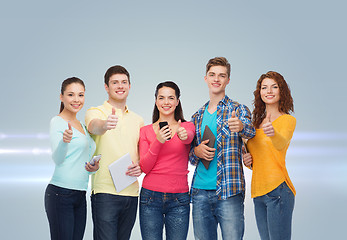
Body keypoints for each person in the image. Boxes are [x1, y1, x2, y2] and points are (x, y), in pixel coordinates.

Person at [189, 57, 256, 240]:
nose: (216, 79)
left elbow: (251, 132)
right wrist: (196, 151)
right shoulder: (197, 116)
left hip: (229, 191)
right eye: (212, 75)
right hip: (200, 192)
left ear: (228, 80)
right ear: (206, 78)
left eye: (222, 75)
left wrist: (241, 127)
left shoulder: (238, 109)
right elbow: (191, 157)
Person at [85, 65, 144, 240]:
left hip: (131, 193)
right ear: (106, 87)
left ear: (130, 86)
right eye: (115, 82)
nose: (120, 86)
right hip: (105, 194)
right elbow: (93, 126)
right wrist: (105, 124)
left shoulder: (138, 120)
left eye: (124, 82)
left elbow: (140, 154)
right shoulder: (95, 112)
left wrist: (140, 166)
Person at [242, 71, 296, 240]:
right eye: (264, 87)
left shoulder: (287, 120)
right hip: (258, 193)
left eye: (274, 86)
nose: (269, 91)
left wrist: (272, 133)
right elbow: (259, 158)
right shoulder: (255, 124)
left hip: (278, 191)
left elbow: (280, 144)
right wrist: (247, 161)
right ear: (260, 93)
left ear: (282, 91)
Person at [138, 81, 195, 240]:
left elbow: (188, 136)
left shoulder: (187, 126)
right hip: (150, 198)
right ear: (156, 101)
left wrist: (183, 135)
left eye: (171, 98)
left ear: (177, 102)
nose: (166, 102)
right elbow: (145, 167)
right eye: (162, 98)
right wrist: (158, 140)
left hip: (179, 198)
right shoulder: (145, 131)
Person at [45, 77, 99, 240]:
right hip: (60, 194)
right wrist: (64, 142)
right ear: (61, 97)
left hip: (80, 194)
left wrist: (92, 168)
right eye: (71, 95)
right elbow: (58, 158)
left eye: (80, 95)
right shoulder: (57, 122)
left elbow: (77, 161)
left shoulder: (81, 125)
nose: (76, 99)